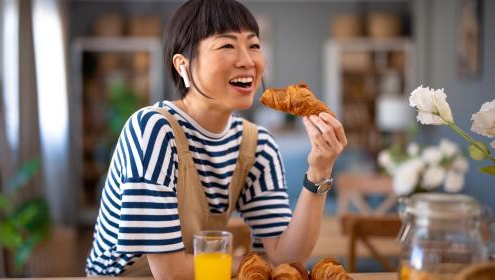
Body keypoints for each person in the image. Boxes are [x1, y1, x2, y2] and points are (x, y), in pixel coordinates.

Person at [85, 0, 347, 278]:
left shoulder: (258, 145)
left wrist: (319, 170)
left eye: (254, 45)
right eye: (227, 46)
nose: (247, 60)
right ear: (183, 65)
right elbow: (169, 273)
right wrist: (249, 265)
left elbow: (285, 258)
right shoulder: (153, 130)